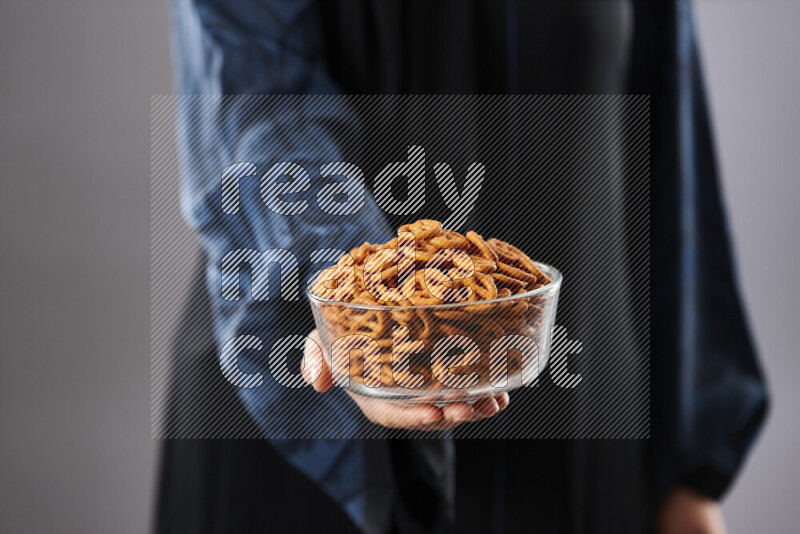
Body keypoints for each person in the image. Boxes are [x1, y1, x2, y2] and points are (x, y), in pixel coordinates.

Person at [156, 1, 768, 533]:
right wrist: (363, 318)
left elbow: (667, 117)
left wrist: (690, 468)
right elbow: (257, 90)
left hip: (577, 431)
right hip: (305, 412)